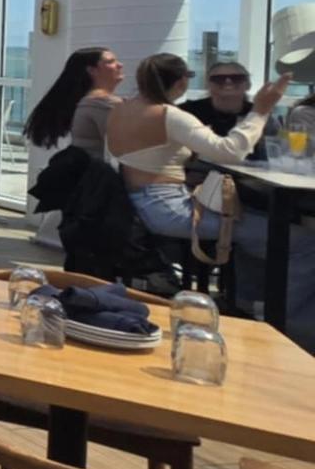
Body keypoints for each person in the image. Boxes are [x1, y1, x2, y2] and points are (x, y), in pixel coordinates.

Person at [109, 53, 315, 330]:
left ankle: (246, 303)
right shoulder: (171, 115)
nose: (228, 84)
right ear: (182, 82)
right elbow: (229, 151)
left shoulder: (121, 109)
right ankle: (286, 325)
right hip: (168, 208)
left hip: (140, 202)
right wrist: (261, 110)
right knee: (301, 242)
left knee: (255, 222)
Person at [23, 46, 124, 155]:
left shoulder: (86, 101)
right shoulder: (101, 103)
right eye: (110, 62)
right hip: (97, 168)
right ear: (92, 70)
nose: (120, 65)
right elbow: (124, 147)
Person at [180, 61, 269, 156]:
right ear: (208, 84)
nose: (228, 81)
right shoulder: (187, 111)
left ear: (248, 85)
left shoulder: (258, 113)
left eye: (236, 78)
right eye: (219, 79)